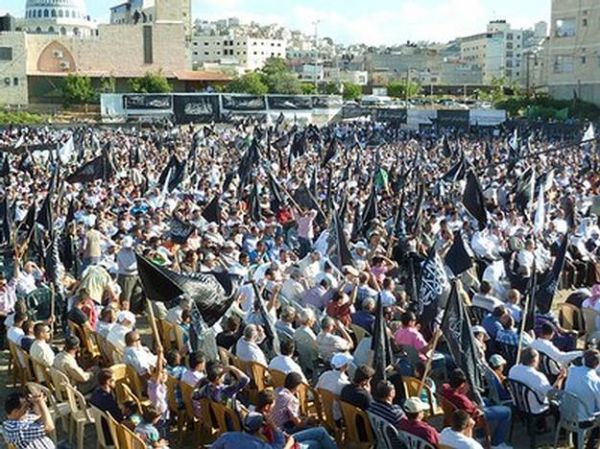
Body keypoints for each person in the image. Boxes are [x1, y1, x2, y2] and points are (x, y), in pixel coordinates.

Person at [441, 368, 512, 449]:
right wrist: (475, 406)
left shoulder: (445, 388)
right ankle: (497, 443)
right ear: (462, 385)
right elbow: (477, 412)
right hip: (473, 416)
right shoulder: (462, 399)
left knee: (486, 400)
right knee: (507, 411)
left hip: (455, 412)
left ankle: (480, 435)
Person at [507, 347, 566, 415]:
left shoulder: (513, 369)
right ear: (535, 360)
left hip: (517, 404)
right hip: (536, 409)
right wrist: (561, 378)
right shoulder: (538, 376)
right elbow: (553, 396)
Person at [565, 349, 600, 449]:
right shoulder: (596, 381)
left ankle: (578, 444)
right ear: (597, 364)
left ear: (583, 360)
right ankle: (591, 445)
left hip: (566, 413)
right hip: (583, 420)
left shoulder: (572, 371)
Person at [211, 412, 291, 449]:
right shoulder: (261, 446)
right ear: (260, 429)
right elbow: (279, 444)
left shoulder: (227, 437)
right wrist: (273, 426)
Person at [90, 369, 123, 444]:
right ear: (108, 382)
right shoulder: (108, 400)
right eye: (113, 380)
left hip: (102, 428)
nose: (115, 382)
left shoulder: (96, 392)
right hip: (111, 435)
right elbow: (118, 418)